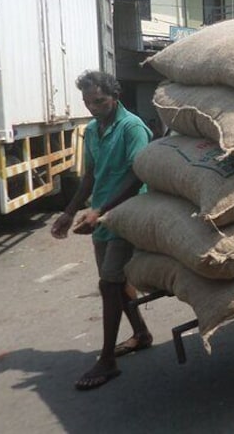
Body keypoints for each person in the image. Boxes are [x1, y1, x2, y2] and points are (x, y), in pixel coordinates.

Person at [51, 71, 153, 391]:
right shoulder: (92, 131)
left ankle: (107, 360)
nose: (93, 107)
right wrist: (70, 212)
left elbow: (137, 174)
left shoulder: (132, 127)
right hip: (101, 218)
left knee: (109, 284)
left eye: (99, 101)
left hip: (126, 215)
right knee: (114, 282)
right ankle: (141, 334)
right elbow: (90, 176)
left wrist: (102, 210)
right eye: (87, 102)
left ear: (115, 96)